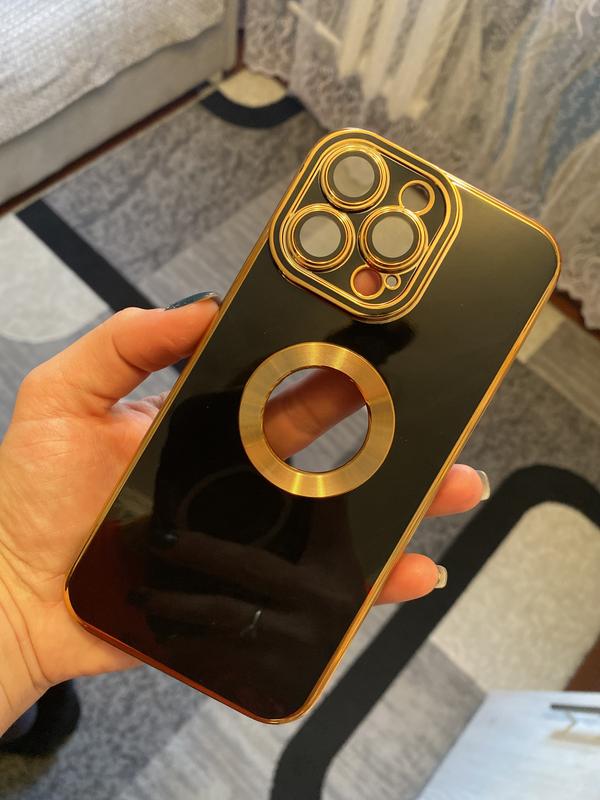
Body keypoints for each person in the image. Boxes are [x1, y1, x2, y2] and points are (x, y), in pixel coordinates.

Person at [0, 293, 489, 754]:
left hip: (102, 589)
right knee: (211, 424)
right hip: (106, 587)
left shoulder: (197, 436)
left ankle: (33, 725)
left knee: (211, 423)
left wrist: (15, 611)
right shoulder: (199, 434)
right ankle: (33, 726)